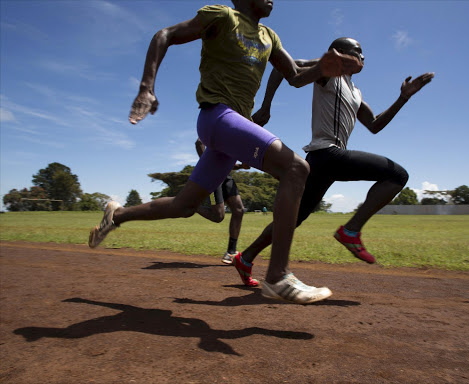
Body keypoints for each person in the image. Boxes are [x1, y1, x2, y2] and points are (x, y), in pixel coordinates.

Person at [88, 1, 363, 304]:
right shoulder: (222, 16)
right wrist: (146, 87)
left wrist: (323, 68)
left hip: (230, 130)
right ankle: (277, 276)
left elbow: (296, 76)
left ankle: (117, 215)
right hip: (217, 116)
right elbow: (163, 34)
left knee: (184, 205)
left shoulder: (269, 36)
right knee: (296, 168)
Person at [238, 37, 434, 272]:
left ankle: (245, 258)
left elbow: (374, 124)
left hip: (325, 161)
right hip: (326, 154)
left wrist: (403, 97)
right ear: (338, 53)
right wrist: (266, 105)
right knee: (397, 175)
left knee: (294, 219)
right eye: (357, 52)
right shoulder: (327, 71)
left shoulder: (355, 91)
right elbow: (284, 67)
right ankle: (350, 231)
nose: (362, 57)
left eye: (363, 54)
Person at [194, 138, 248, 264]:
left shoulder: (234, 140)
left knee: (239, 210)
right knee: (218, 216)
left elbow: (226, 162)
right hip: (212, 175)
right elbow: (199, 142)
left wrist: (241, 166)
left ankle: (231, 252)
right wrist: (208, 165)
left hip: (225, 176)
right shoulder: (218, 126)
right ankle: (193, 205)